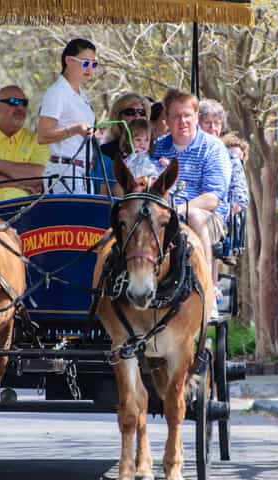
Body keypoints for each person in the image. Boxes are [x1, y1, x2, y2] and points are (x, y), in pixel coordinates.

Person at [151, 90, 231, 314]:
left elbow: (213, 198)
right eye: (176, 116)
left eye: (187, 115)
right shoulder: (158, 148)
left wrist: (179, 209)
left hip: (207, 218)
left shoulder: (213, 148)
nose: (182, 121)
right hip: (164, 216)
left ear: (196, 116)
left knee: (195, 215)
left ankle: (207, 290)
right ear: (166, 120)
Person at [37, 38, 98, 194]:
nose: (89, 69)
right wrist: (75, 129)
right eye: (85, 63)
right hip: (64, 171)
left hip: (82, 172)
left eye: (93, 64)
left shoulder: (81, 95)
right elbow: (43, 135)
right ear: (69, 60)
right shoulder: (57, 92)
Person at [198, 99, 249, 217]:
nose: (212, 128)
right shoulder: (190, 150)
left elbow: (240, 197)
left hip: (219, 218)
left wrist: (221, 212)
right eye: (207, 122)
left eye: (217, 123)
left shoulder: (231, 156)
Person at [100, 93, 150, 160]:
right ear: (118, 117)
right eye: (130, 112)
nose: (137, 116)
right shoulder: (105, 151)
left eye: (142, 112)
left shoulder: (155, 147)